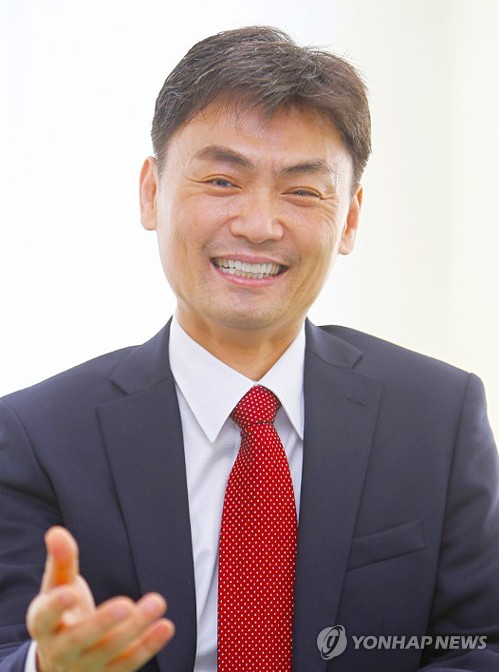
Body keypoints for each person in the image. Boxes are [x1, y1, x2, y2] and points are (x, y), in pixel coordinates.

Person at [0, 25, 498, 672]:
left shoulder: (437, 416)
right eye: (221, 181)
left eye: (302, 191)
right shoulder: (36, 437)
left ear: (349, 218)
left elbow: (482, 645)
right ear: (151, 193)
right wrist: (47, 665)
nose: (259, 225)